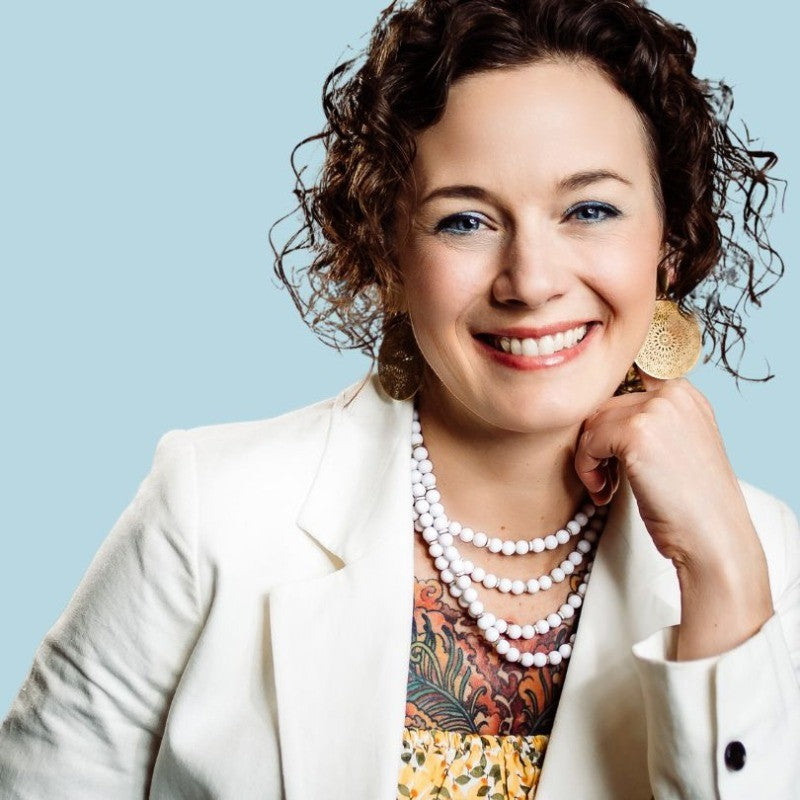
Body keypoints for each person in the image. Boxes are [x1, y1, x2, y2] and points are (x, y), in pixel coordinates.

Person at [1, 0, 798, 797]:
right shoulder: (211, 510)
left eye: (590, 210)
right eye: (464, 221)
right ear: (388, 250)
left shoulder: (763, 554)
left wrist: (725, 582)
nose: (532, 281)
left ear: (670, 241)